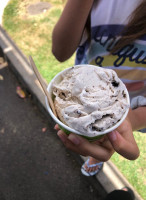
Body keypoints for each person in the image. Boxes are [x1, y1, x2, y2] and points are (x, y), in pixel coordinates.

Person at [52, 0, 146, 176]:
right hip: (84, 93)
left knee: (107, 139)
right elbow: (60, 51)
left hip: (137, 106)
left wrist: (132, 119)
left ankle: (97, 152)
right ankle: (96, 154)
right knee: (94, 139)